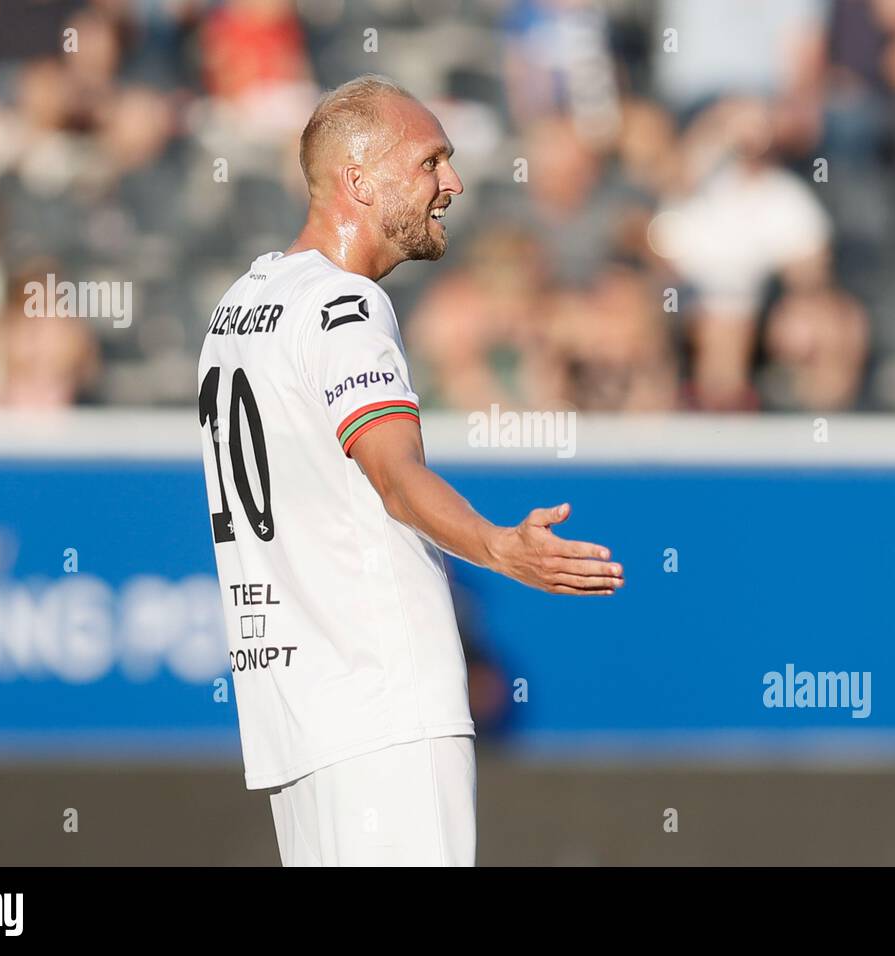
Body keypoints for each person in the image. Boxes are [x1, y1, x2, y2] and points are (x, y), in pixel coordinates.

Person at [196, 74, 624, 867]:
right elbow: (394, 476)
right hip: (383, 706)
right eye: (431, 161)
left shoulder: (238, 308)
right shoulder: (344, 305)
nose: (452, 182)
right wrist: (498, 546)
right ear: (358, 180)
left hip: (298, 719)